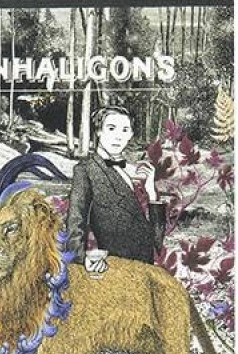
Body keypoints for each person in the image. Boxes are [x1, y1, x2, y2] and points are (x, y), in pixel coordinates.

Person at [65, 106, 165, 270]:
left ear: (130, 135)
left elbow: (156, 241)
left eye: (125, 130)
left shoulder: (131, 172)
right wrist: (81, 260)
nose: (118, 136)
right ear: (99, 131)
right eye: (111, 128)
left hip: (144, 268)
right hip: (114, 270)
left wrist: (152, 193)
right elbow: (75, 221)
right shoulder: (86, 170)